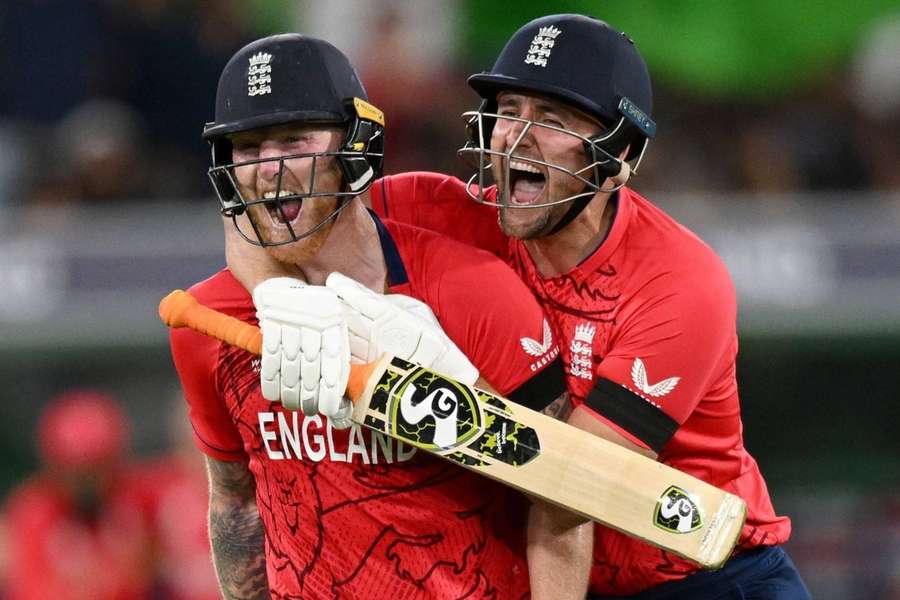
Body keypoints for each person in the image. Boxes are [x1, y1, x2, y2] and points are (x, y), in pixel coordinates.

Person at [228, 15, 811, 599]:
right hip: (560, 575)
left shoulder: (678, 282)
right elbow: (271, 210)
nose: (516, 136)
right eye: (508, 109)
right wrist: (275, 296)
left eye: (552, 119)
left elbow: (577, 482)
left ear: (622, 151)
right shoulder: (445, 210)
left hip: (709, 579)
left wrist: (456, 389)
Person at [169, 33, 588, 599]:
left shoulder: (474, 290)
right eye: (247, 148)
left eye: (295, 139)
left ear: (357, 146)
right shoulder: (209, 321)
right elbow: (236, 500)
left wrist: (464, 400)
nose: (269, 168)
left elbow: (569, 496)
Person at [2, 390, 154, 600]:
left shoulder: (137, 499)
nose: (87, 483)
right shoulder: (33, 514)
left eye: (96, 469)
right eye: (76, 472)